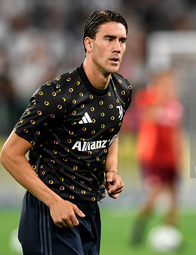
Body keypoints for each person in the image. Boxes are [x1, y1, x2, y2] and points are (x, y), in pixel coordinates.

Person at [0, 10, 132, 255]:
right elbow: (9, 155)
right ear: (89, 44)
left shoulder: (122, 90)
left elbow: (111, 134)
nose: (117, 48)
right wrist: (53, 202)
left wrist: (111, 170)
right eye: (109, 39)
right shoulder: (56, 95)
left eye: (122, 41)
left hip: (89, 212)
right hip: (50, 214)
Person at [130, 70, 183, 245]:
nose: (171, 85)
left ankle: (171, 235)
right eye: (167, 82)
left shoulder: (175, 105)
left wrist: (179, 155)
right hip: (153, 156)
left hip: (170, 158)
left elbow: (176, 132)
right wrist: (161, 98)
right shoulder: (149, 97)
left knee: (174, 196)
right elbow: (148, 117)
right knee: (155, 194)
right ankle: (139, 225)